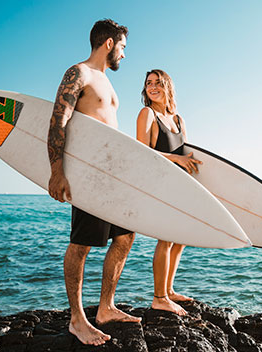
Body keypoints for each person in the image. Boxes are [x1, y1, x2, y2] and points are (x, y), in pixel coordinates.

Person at [47, 19, 140, 347]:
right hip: (89, 174)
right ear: (110, 43)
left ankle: (105, 307)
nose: (125, 55)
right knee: (82, 244)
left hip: (112, 175)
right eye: (124, 47)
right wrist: (57, 171)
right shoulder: (79, 73)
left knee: (125, 236)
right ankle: (76, 319)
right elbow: (58, 121)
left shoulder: (105, 82)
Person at [136, 69, 202, 316]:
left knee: (180, 238)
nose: (152, 87)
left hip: (180, 185)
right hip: (159, 183)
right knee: (166, 238)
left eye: (158, 83)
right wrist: (175, 159)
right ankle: (159, 297)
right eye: (148, 83)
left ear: (168, 87)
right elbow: (141, 151)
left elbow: (187, 154)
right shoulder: (147, 114)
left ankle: (169, 289)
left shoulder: (178, 120)